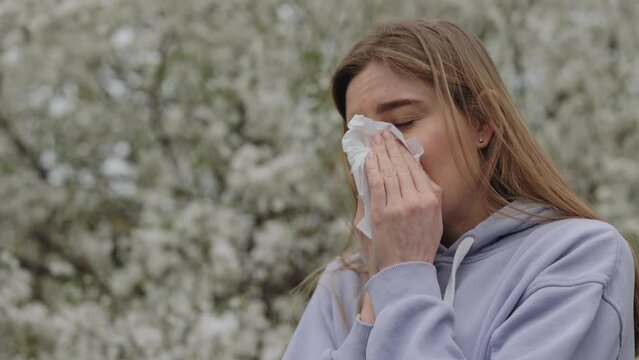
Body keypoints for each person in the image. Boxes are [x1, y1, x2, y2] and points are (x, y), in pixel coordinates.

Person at [282, 19, 637, 359]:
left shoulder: (577, 257)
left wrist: (404, 282)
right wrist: (375, 299)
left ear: (482, 121)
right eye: (357, 135)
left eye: (402, 122)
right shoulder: (344, 282)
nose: (375, 154)